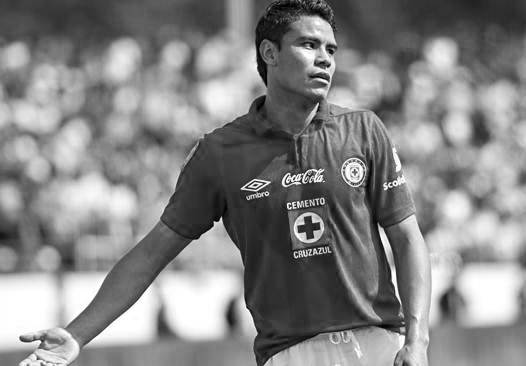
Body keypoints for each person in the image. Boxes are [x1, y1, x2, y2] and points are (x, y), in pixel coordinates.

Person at [19, 1, 431, 365]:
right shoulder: (219, 152)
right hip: (290, 355)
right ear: (269, 52)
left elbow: (408, 240)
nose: (324, 59)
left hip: (381, 346)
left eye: (330, 49)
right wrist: (77, 334)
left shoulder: (365, 130)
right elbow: (152, 252)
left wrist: (417, 341)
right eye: (308, 45)